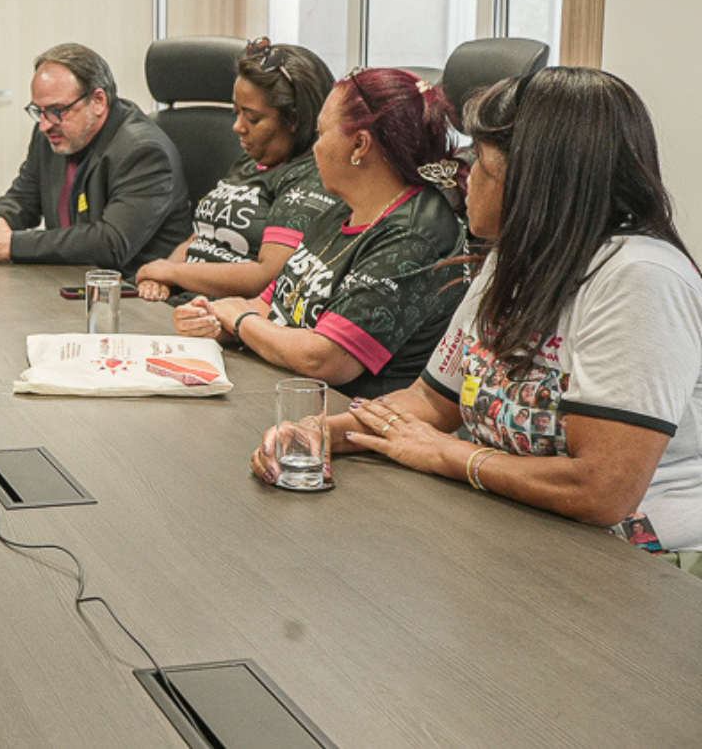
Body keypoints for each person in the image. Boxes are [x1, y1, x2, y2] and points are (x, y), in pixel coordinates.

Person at [252, 68, 702, 577]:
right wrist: (321, 432)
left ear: (535, 179)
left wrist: (450, 455)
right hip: (520, 530)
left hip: (642, 564)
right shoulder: (513, 258)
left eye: (480, 163)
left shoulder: (641, 278)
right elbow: (430, 402)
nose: (462, 179)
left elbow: (602, 491)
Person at [174, 68, 468, 396]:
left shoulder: (414, 236)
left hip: (346, 413)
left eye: (321, 134)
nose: (315, 148)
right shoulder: (346, 206)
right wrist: (215, 319)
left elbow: (326, 359)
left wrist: (241, 323)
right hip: (282, 387)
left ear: (360, 145)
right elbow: (269, 304)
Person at [0, 43, 190, 277]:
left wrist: (10, 245)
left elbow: (111, 243)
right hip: (68, 278)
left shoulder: (143, 151)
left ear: (98, 101)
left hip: (131, 290)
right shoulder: (52, 134)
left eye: (56, 111)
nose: (45, 125)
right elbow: (23, 199)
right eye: (39, 111)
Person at [134, 38, 339, 302]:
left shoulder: (310, 176)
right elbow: (200, 238)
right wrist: (159, 279)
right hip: (181, 299)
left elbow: (268, 276)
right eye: (236, 112)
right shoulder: (250, 161)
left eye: (252, 118)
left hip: (223, 314)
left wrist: (173, 273)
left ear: (295, 120)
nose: (237, 127)